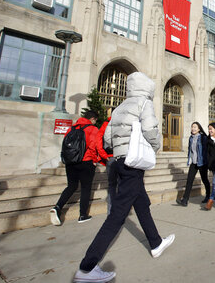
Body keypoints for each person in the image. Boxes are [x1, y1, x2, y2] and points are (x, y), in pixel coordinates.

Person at [73, 72, 174, 283]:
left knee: (142, 203)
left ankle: (155, 243)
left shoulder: (120, 107)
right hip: (133, 163)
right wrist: (154, 148)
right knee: (117, 215)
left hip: (119, 161)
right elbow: (150, 129)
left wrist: (118, 147)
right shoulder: (144, 103)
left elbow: (107, 137)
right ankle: (87, 267)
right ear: (147, 88)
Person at [50, 110, 109, 226]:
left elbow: (65, 145)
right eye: (95, 120)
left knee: (71, 186)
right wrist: (94, 160)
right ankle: (83, 215)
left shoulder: (71, 128)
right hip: (86, 162)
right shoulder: (92, 129)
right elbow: (94, 146)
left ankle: (58, 207)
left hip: (70, 162)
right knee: (86, 188)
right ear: (92, 119)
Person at [177, 122, 210, 206]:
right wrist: (189, 160)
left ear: (199, 129)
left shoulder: (203, 137)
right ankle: (185, 200)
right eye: (192, 127)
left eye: (195, 127)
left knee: (205, 179)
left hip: (202, 162)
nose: (193, 128)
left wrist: (207, 160)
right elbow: (190, 150)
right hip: (194, 162)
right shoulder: (191, 138)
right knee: (189, 180)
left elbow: (206, 150)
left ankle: (208, 196)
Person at [98, 115, 116, 215]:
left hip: (110, 157)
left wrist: (104, 156)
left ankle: (111, 212)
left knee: (112, 185)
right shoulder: (123, 124)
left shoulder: (106, 124)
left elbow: (98, 140)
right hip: (119, 157)